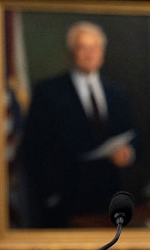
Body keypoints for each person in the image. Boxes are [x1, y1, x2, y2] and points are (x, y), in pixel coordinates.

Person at [18, 21, 137, 228]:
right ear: (72, 52)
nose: (90, 54)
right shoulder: (48, 92)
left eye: (95, 48)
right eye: (83, 47)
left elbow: (135, 137)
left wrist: (128, 153)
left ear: (102, 52)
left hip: (111, 200)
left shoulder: (117, 92)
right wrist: (51, 197)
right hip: (66, 201)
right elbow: (33, 148)